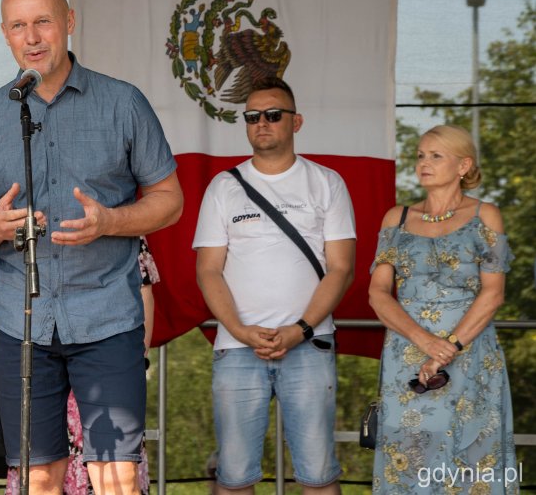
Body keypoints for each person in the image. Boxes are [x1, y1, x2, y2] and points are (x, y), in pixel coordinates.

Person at [0, 0, 183, 495]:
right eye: (19, 25)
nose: (32, 36)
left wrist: (110, 222)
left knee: (117, 475)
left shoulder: (123, 103)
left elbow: (169, 201)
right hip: (21, 320)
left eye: (43, 21)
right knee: (37, 474)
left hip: (106, 312)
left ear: (70, 23)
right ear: (5, 34)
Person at [193, 76, 356, 495]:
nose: (261, 123)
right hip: (236, 347)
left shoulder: (327, 182)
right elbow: (208, 270)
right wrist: (242, 331)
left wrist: (299, 329)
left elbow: (342, 268)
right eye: (252, 117)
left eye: (273, 115)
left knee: (319, 477)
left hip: (310, 344)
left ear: (296, 122)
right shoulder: (223, 186)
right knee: (234, 478)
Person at [368, 125, 517, 493]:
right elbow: (378, 293)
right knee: (409, 458)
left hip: (470, 357)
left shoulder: (486, 216)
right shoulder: (396, 219)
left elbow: (493, 294)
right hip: (408, 356)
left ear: (463, 165)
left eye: (436, 155)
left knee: (472, 461)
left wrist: (449, 345)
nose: (424, 163)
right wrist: (424, 341)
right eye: (420, 155)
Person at [0, 236, 159, 495]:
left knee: (117, 477)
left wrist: (129, 365)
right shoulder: (10, 222)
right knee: (38, 477)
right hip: (38, 373)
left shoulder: (114, 211)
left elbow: (142, 291)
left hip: (105, 373)